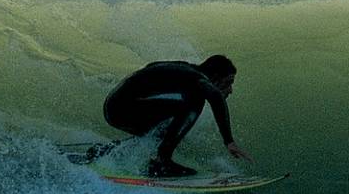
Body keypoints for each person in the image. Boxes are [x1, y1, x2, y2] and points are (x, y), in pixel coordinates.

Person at [102, 54, 253, 177]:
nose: (230, 90)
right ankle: (162, 162)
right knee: (194, 103)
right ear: (215, 77)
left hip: (114, 107)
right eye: (228, 82)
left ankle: (109, 151)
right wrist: (229, 141)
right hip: (121, 108)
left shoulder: (184, 69)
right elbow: (215, 96)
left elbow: (151, 66)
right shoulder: (199, 79)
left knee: (164, 130)